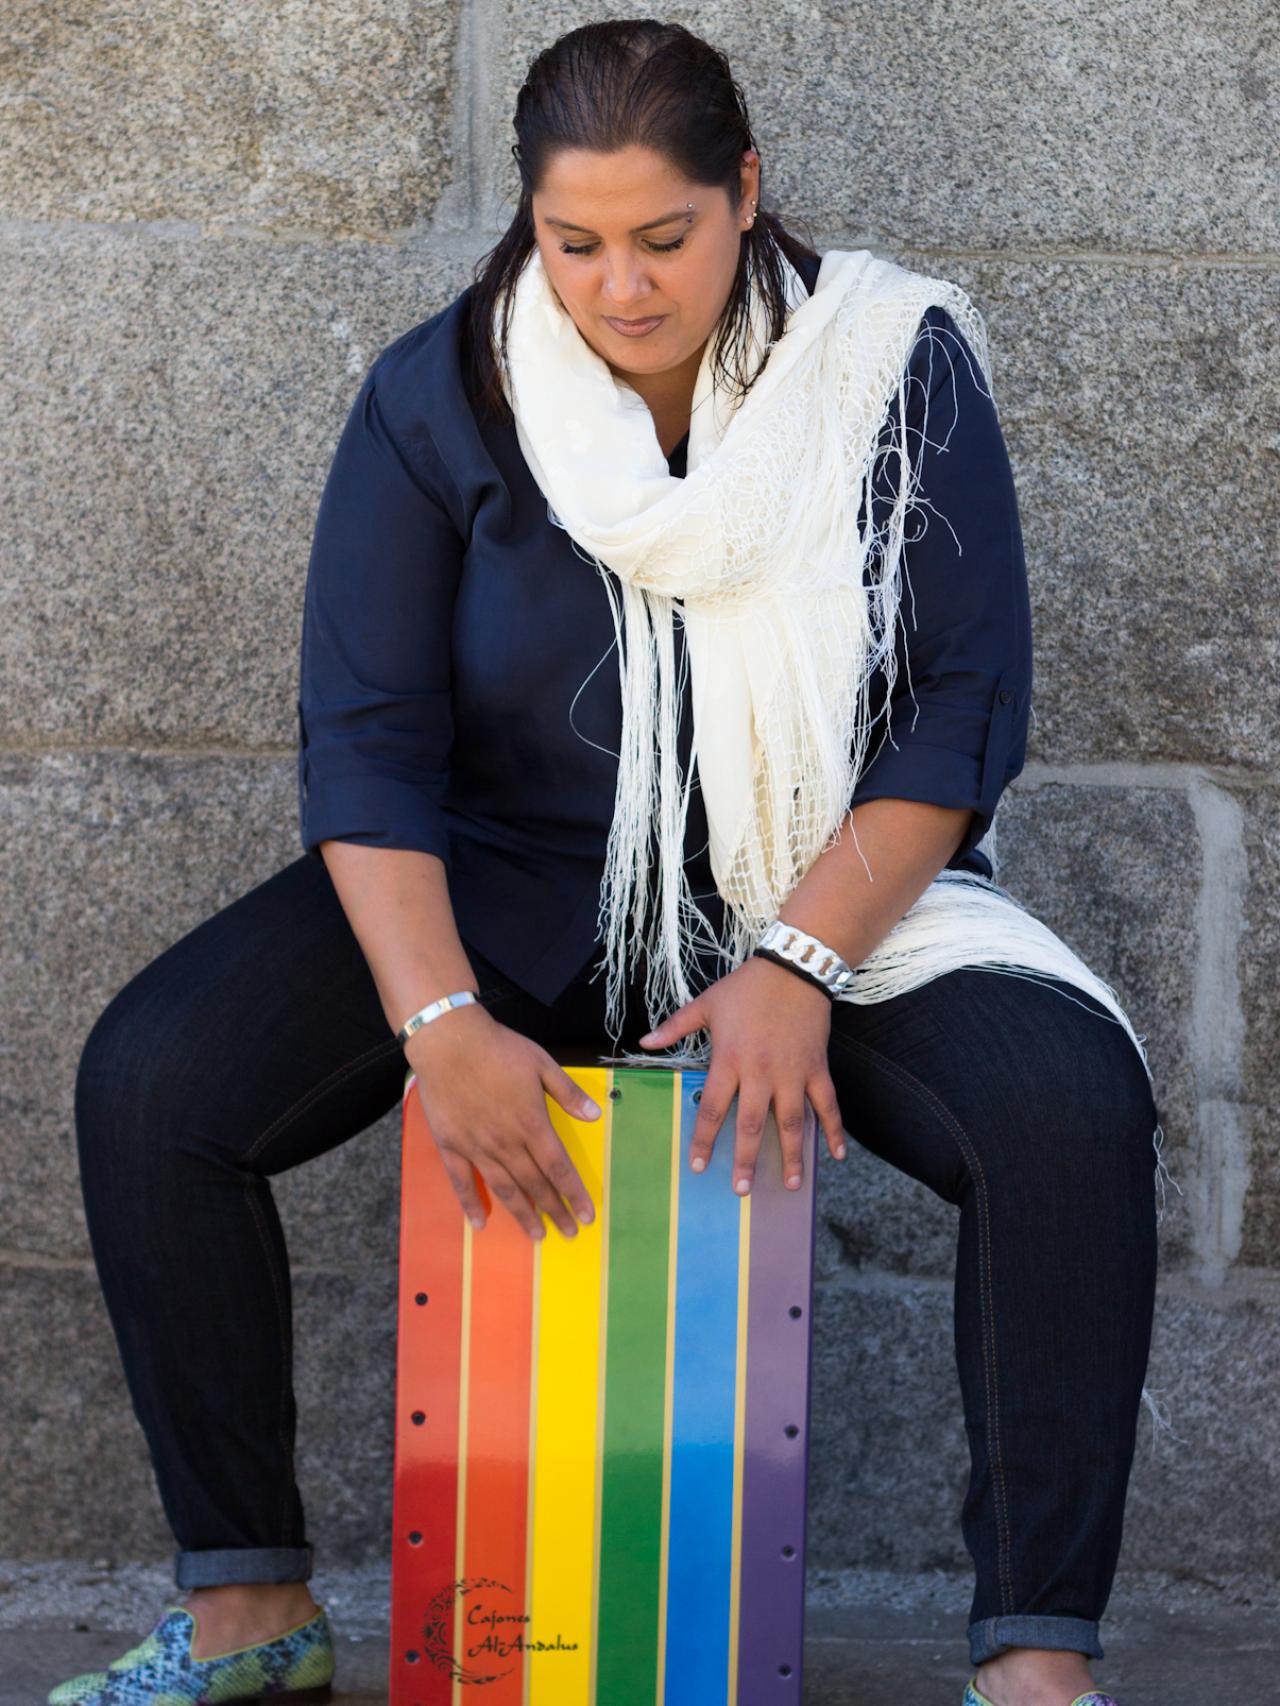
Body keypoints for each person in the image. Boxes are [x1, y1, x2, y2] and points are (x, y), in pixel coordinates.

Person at [56, 20, 1161, 1706]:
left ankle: (1035, 1667)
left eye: (665, 236)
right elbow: (366, 741)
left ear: (746, 193)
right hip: (506, 887)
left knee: (1067, 1107)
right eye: (575, 243)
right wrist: (438, 1020)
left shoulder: (888, 364)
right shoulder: (444, 393)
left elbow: (963, 703)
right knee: (156, 1083)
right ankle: (247, 1611)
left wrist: (800, 961)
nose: (621, 287)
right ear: (530, 220)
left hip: (816, 885)